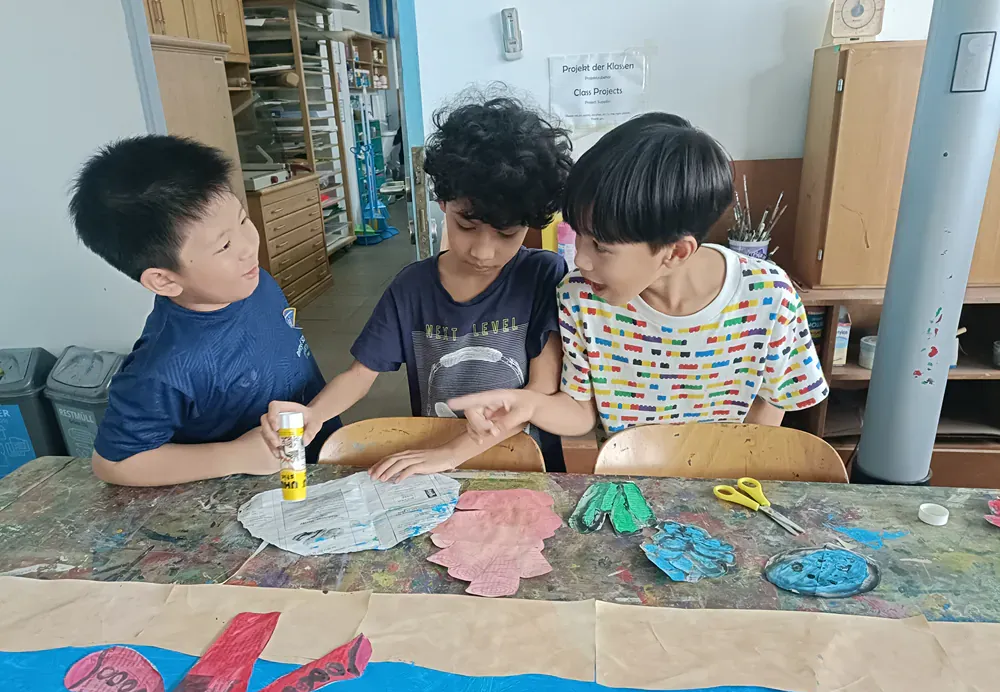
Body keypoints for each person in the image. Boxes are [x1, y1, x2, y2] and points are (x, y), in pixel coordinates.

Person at [450, 113, 829, 441]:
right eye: (578, 234)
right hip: (627, 487)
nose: (580, 259)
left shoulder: (769, 295)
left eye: (600, 246)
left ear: (675, 252)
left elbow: (774, 402)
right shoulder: (581, 297)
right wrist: (527, 404)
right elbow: (581, 412)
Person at [262, 94, 573, 481]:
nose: (483, 251)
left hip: (523, 460)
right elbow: (361, 375)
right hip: (438, 461)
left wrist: (452, 453)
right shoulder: (412, 287)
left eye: (507, 233)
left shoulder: (543, 274)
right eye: (466, 226)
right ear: (443, 202)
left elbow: (542, 389)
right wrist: (315, 413)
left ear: (531, 223)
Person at [70, 135, 340, 486]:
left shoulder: (252, 282)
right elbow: (114, 463)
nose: (248, 247)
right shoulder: (165, 366)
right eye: (224, 245)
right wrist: (236, 455)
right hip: (254, 497)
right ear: (165, 281)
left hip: (321, 458)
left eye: (243, 221)